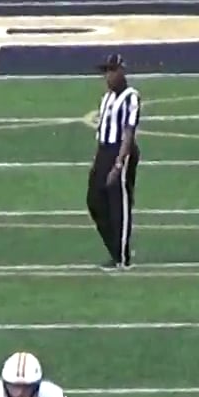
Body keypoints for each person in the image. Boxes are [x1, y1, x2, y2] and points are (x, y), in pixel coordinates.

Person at [85, 53, 140, 269]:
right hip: (104, 150)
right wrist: (97, 159)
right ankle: (114, 248)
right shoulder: (107, 98)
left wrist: (119, 164)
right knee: (94, 201)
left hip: (120, 151)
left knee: (119, 204)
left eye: (111, 71)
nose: (107, 76)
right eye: (106, 72)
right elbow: (101, 130)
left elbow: (129, 132)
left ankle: (122, 257)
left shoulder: (131, 97)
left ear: (121, 71)